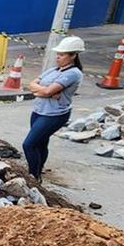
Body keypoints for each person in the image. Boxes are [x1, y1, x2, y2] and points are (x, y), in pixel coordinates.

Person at [24, 36, 85, 182]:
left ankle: (34, 175)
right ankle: (38, 170)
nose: (58, 57)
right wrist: (46, 92)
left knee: (29, 144)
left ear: (73, 56)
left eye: (62, 55)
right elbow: (32, 85)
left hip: (54, 114)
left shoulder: (73, 73)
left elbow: (44, 92)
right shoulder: (53, 70)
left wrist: (43, 92)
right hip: (39, 110)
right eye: (58, 54)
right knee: (40, 142)